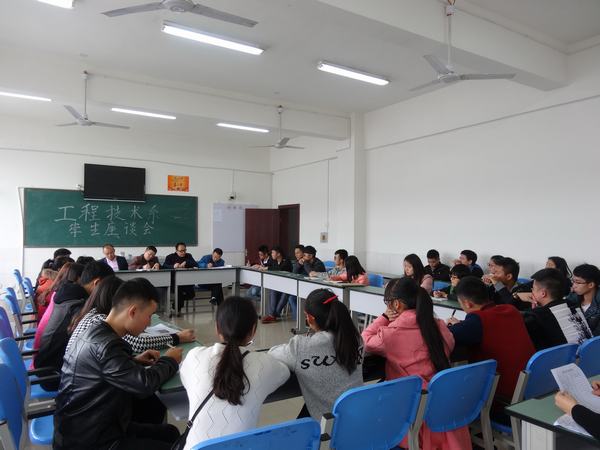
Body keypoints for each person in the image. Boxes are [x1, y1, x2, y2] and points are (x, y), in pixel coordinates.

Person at [53, 278, 183, 450]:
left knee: (171, 433)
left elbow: (102, 367)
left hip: (88, 425)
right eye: (149, 316)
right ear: (133, 312)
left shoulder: (97, 330)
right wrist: (170, 359)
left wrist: (133, 361)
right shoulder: (107, 344)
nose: (149, 323)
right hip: (89, 440)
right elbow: (144, 384)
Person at [362, 277, 470, 449]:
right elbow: (450, 343)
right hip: (443, 401)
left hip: (409, 407)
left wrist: (384, 317)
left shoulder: (391, 334)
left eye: (387, 302)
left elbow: (365, 340)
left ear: (396, 304)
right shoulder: (438, 325)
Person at [179, 297, 289, 449]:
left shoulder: (195, 356)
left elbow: (184, 374)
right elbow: (284, 373)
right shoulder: (264, 364)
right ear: (253, 331)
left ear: (217, 328)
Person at [447, 277, 535, 420]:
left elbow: (448, 335)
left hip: (502, 401)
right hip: (529, 392)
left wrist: (456, 326)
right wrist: (463, 325)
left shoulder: (478, 321)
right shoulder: (511, 310)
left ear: (467, 303)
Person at [269, 288, 364, 419]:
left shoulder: (300, 347)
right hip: (358, 417)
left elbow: (272, 353)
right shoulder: (357, 339)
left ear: (310, 318)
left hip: (328, 424)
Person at [66, 276, 196, 355]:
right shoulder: (101, 325)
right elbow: (138, 344)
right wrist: (171, 355)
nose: (149, 323)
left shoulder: (94, 314)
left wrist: (134, 361)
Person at [36, 261, 114, 389]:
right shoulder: (78, 305)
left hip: (49, 366)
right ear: (97, 283)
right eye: (108, 288)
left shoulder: (69, 296)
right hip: (55, 374)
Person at [32, 262, 85, 365]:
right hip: (43, 356)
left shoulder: (58, 291)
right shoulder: (66, 296)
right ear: (78, 278)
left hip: (40, 347)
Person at [523, 268, 586, 350]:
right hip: (589, 354)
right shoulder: (573, 305)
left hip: (564, 357)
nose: (532, 292)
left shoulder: (536, 316)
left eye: (533, 289)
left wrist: (516, 296)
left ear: (543, 293)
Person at [261, 246, 293, 324]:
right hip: (278, 284)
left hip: (288, 285)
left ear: (278, 254)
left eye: (273, 253)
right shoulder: (274, 260)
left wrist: (268, 268)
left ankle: (273, 315)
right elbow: (268, 265)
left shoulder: (286, 260)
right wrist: (260, 266)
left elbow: (280, 269)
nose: (271, 254)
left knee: (285, 295)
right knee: (272, 291)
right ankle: (273, 315)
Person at [164, 242, 197, 315]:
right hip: (173, 281)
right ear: (176, 251)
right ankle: (176, 309)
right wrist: (173, 266)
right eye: (181, 251)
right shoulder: (170, 257)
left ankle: (175, 305)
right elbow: (164, 266)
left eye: (184, 250)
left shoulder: (188, 256)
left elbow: (195, 264)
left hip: (186, 281)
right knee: (179, 291)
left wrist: (186, 262)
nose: (183, 252)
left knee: (191, 294)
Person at [567, 264, 600, 336]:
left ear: (591, 285)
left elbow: (596, 337)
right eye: (573, 281)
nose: (573, 286)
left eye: (578, 282)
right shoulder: (572, 298)